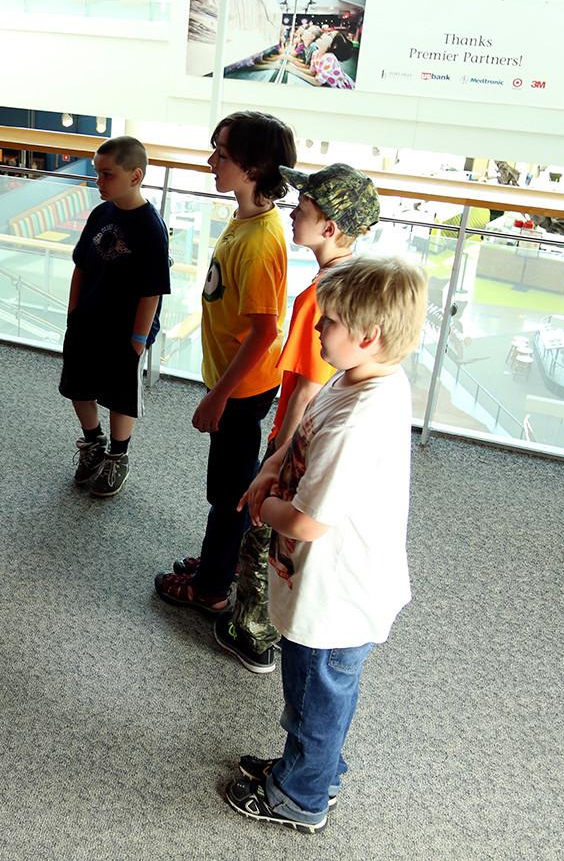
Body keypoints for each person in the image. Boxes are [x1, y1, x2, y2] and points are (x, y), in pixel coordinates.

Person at [223, 255, 427, 834]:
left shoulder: (360, 420)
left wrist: (263, 507)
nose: (316, 330)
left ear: (368, 336)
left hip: (338, 594)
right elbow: (304, 433)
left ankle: (301, 795)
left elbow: (310, 521)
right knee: (319, 692)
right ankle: (313, 768)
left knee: (316, 696)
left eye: (328, 321)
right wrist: (273, 465)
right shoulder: (359, 376)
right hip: (330, 585)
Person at [213, 163, 382, 674]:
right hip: (310, 435)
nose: (291, 213)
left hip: (297, 436)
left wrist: (279, 454)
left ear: (329, 227)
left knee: (259, 534)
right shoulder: (351, 279)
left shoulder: (320, 297)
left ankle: (253, 633)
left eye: (302, 209)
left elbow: (310, 382)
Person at [154, 110, 295, 610]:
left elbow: (263, 332)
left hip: (241, 389)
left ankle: (212, 587)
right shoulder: (247, 218)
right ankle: (220, 559)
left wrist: (218, 395)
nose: (212, 161)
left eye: (224, 155)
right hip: (235, 385)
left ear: (254, 168)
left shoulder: (259, 243)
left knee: (228, 491)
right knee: (227, 482)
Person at [59, 136, 171, 498]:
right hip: (88, 318)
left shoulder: (151, 227)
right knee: (78, 384)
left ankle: (118, 454)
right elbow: (81, 266)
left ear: (135, 175)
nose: (99, 181)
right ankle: (93, 442)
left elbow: (152, 289)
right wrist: (73, 311)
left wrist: (138, 340)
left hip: (125, 329)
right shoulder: (100, 213)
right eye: (97, 173)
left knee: (119, 395)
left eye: (107, 174)